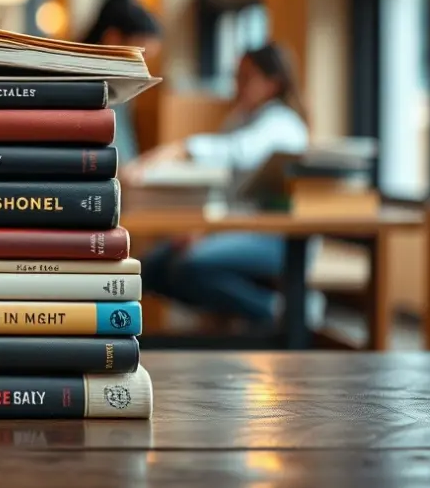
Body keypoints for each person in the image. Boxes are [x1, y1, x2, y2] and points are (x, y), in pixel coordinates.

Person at [129, 43, 321, 328]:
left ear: (272, 83)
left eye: (246, 77)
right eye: (236, 76)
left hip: (277, 238)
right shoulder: (240, 118)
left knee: (187, 264)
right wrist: (202, 229)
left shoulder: (282, 124)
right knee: (152, 266)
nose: (237, 85)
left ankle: (281, 312)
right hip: (237, 227)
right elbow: (226, 188)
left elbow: (236, 152)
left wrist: (179, 149)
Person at [80, 0, 162, 162]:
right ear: (113, 39)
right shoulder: (86, 88)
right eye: (141, 56)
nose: (144, 68)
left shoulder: (119, 86)